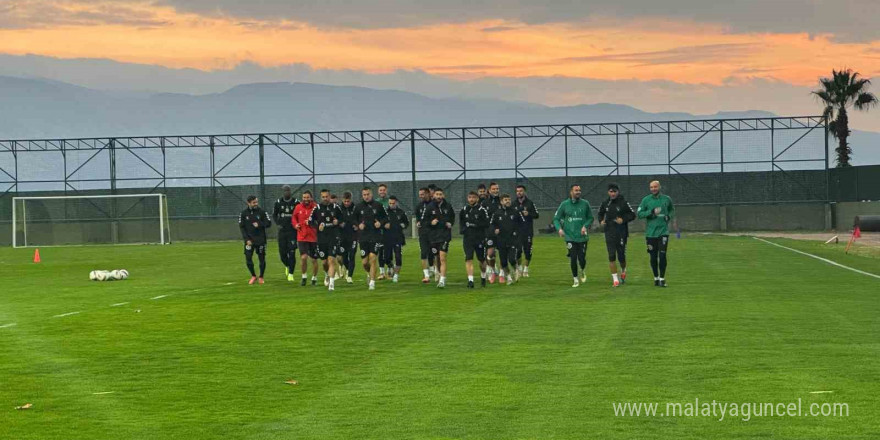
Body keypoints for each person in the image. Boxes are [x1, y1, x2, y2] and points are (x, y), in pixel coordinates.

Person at [553, 184, 594, 288]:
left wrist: (585, 226)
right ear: (571, 192)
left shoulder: (585, 204)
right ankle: (575, 279)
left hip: (582, 237)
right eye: (576, 190)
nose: (578, 192)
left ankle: (583, 270)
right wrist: (559, 229)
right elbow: (556, 219)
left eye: (579, 190)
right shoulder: (564, 204)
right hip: (570, 237)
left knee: (582, 259)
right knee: (573, 258)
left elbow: (590, 218)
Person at [637, 180, 676, 287]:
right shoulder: (646, 200)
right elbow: (639, 214)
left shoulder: (666, 199)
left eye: (655, 187)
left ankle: (662, 279)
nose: (653, 189)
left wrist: (669, 216)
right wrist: (651, 212)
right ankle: (656, 278)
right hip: (650, 234)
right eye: (651, 187)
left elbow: (672, 210)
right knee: (653, 257)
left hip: (663, 232)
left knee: (662, 255)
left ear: (659, 187)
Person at [597, 183, 635, 287]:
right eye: (611, 191)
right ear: (608, 192)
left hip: (621, 233)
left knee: (621, 256)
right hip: (609, 232)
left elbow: (632, 214)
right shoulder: (605, 203)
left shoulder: (624, 203)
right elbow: (600, 213)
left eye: (614, 191)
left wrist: (623, 220)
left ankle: (623, 269)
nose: (613, 193)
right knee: (611, 255)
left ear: (618, 192)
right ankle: (615, 279)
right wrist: (601, 221)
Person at [354, 187, 388, 291]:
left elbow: (385, 218)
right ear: (362, 195)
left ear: (371, 194)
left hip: (375, 236)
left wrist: (380, 223)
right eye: (364, 195)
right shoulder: (358, 207)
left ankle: (372, 282)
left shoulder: (378, 205)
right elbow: (353, 219)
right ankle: (369, 274)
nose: (366, 196)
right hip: (363, 237)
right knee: (365, 262)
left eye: (368, 194)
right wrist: (358, 224)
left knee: (373, 258)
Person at [310, 189, 343, 291]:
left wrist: (338, 221)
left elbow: (342, 218)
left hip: (333, 237)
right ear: (321, 197)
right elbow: (310, 221)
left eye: (326, 197)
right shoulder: (317, 208)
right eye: (323, 197)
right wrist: (317, 226)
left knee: (331, 260)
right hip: (321, 239)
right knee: (324, 263)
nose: (325, 199)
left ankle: (331, 284)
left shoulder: (336, 207)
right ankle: (327, 274)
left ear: (329, 197)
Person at [489, 194, 524, 285]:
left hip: (513, 239)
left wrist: (517, 233)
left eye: (509, 199)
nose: (508, 201)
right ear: (501, 202)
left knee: (512, 259)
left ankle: (516, 269)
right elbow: (492, 224)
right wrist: (494, 230)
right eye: (505, 200)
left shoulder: (515, 212)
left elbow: (522, 223)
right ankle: (508, 277)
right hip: (501, 240)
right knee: (503, 262)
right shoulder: (497, 213)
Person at [239, 195, 272, 284]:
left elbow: (269, 223)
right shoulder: (243, 214)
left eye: (256, 202)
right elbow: (242, 228)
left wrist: (260, 224)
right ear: (248, 203)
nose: (256, 204)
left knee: (261, 259)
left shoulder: (262, 212)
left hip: (260, 240)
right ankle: (253, 276)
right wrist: (247, 240)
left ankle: (261, 276)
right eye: (254, 203)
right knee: (248, 259)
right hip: (249, 241)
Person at [460, 191, 490, 288]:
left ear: (477, 198)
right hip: (468, 239)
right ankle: (470, 280)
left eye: (473, 197)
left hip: (479, 238)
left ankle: (483, 276)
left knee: (481, 260)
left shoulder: (482, 210)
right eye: (469, 197)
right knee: (468, 258)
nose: (471, 199)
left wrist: (475, 225)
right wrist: (463, 230)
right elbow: (461, 222)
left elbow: (487, 223)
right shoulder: (464, 209)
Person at [427, 187, 455, 288]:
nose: (439, 196)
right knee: (437, 257)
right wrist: (431, 222)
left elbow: (452, 217)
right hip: (433, 237)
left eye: (440, 194)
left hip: (445, 235)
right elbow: (424, 221)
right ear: (433, 195)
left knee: (443, 257)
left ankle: (442, 280)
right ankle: (437, 272)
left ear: (443, 195)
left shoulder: (448, 206)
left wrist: (450, 223)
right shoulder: (430, 207)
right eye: (437, 194)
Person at [272, 185, 299, 281]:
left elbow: (299, 215)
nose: (287, 192)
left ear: (290, 191)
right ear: (282, 192)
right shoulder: (278, 203)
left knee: (292, 252)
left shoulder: (296, 202)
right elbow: (274, 215)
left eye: (288, 190)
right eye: (285, 191)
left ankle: (291, 273)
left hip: (292, 231)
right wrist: (278, 223)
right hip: (282, 231)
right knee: (282, 254)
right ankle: (287, 265)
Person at [292, 190, 319, 286]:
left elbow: (320, 220)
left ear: (311, 198)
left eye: (307, 197)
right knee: (303, 257)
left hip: (313, 237)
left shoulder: (316, 207)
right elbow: (293, 218)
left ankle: (314, 278)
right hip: (302, 236)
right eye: (304, 197)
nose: (306, 199)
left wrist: (313, 223)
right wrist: (296, 225)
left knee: (313, 259)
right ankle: (304, 277)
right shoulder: (298, 207)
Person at [514, 184, 539, 278]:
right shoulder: (513, 204)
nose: (519, 193)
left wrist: (529, 214)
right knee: (518, 251)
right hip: (517, 231)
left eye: (520, 191)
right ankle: (519, 267)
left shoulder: (530, 203)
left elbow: (536, 215)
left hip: (528, 231)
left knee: (528, 250)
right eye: (517, 191)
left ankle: (526, 269)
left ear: (524, 192)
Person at [383, 196, 409, 283]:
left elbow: (406, 223)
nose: (391, 205)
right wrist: (384, 225)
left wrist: (403, 225)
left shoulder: (401, 212)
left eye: (393, 203)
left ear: (396, 203)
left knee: (398, 256)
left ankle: (396, 275)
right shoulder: (385, 212)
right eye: (390, 203)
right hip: (387, 238)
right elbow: (381, 222)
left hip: (398, 238)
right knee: (386, 258)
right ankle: (390, 266)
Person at [481, 182, 502, 283]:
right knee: (490, 252)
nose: (496, 191)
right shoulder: (485, 203)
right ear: (489, 190)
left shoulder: (502, 201)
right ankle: (492, 270)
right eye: (493, 189)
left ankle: (501, 273)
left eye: (497, 189)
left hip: (502, 230)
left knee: (502, 252)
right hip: (489, 230)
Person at [415, 187, 435, 283]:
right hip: (422, 233)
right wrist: (418, 222)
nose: (421, 196)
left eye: (422, 194)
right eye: (420, 194)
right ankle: (426, 275)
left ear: (428, 194)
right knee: (423, 252)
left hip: (433, 232)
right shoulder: (419, 206)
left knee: (433, 252)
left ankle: (434, 270)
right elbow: (418, 217)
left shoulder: (434, 205)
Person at [338, 191, 359, 284]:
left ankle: (350, 276)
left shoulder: (356, 208)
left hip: (353, 236)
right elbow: (334, 219)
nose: (346, 203)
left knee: (352, 255)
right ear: (342, 200)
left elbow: (361, 219)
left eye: (348, 201)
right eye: (345, 201)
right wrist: (339, 223)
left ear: (351, 200)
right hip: (342, 237)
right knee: (344, 257)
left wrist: (357, 225)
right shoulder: (338, 209)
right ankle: (347, 269)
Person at [375, 184, 391, 279]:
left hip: (389, 230)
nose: (382, 192)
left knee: (388, 251)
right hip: (379, 230)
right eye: (380, 190)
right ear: (378, 191)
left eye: (383, 190)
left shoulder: (390, 201)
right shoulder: (376, 202)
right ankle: (382, 272)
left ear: (386, 190)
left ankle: (390, 268)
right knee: (380, 251)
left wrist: (389, 223)